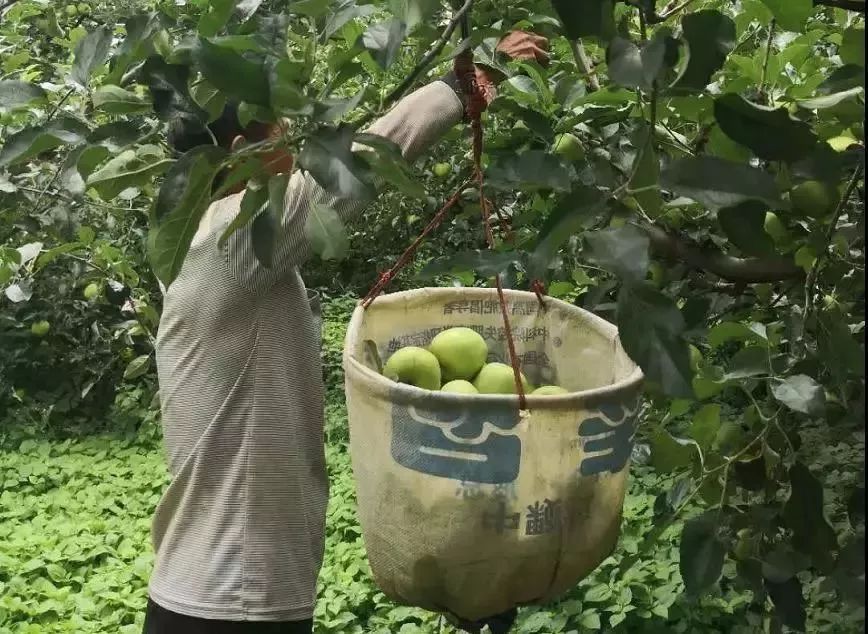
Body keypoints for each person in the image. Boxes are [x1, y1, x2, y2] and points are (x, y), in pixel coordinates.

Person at [144, 30, 550, 634]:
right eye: (280, 129)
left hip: (223, 590)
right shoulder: (232, 241)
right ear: (242, 155)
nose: (294, 140)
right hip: (232, 597)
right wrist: (462, 87)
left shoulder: (211, 250)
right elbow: (352, 167)